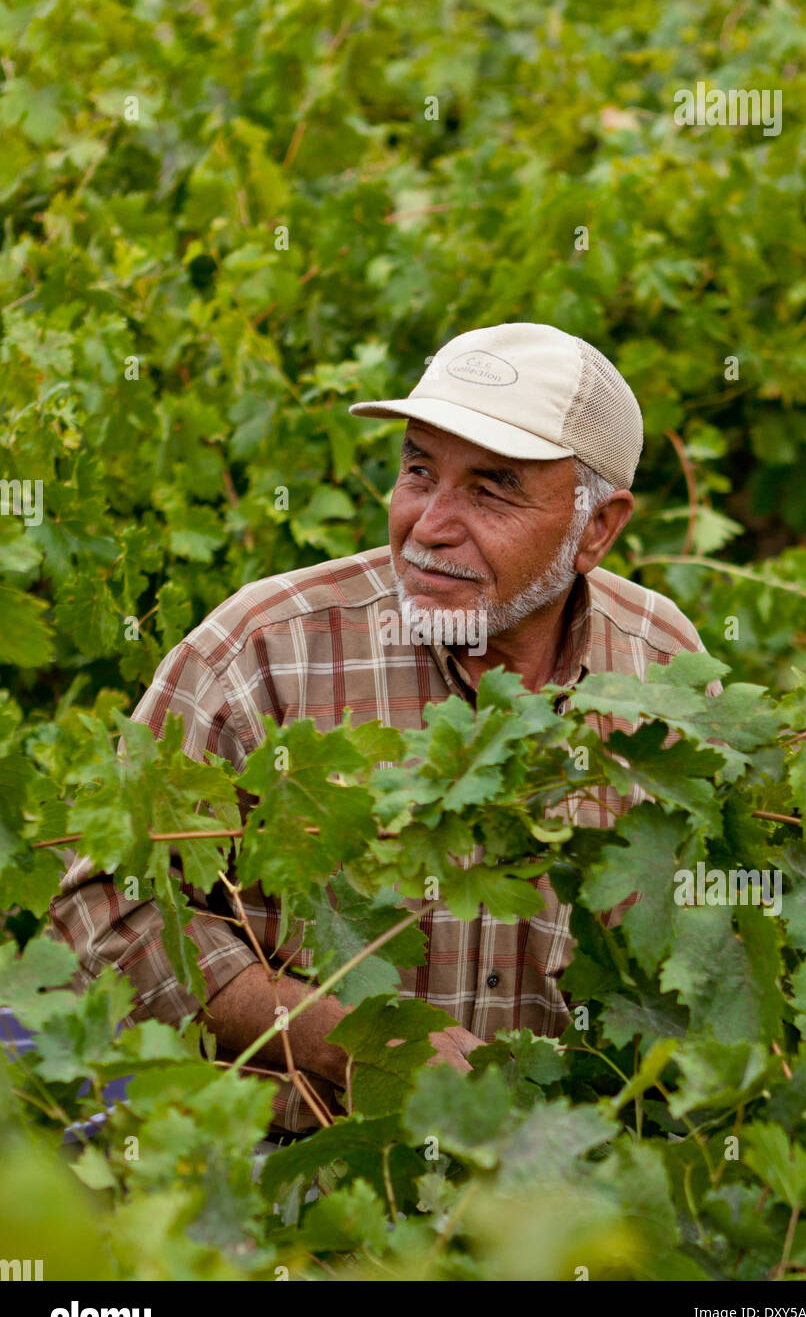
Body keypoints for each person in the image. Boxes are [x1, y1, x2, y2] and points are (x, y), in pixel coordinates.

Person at [49, 322, 720, 1135]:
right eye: (417, 471)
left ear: (598, 528)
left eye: (492, 488)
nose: (429, 525)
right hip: (283, 1159)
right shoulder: (265, 648)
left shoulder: (661, 669)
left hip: (559, 1178)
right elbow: (106, 905)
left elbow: (710, 931)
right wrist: (346, 1042)